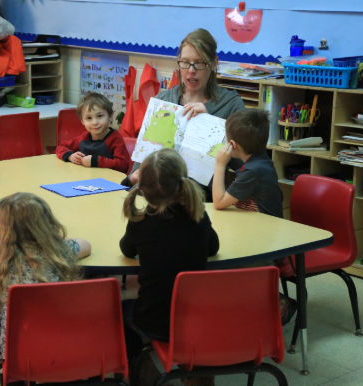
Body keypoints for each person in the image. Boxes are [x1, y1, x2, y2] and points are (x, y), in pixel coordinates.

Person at [119, 148, 219, 365]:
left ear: (142, 189)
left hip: (154, 322)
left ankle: (142, 366)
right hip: (197, 320)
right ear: (182, 182)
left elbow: (126, 250)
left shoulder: (141, 221)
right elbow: (213, 248)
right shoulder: (197, 215)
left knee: (119, 310)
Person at [122, 28, 245, 198]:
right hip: (156, 196)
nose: (191, 70)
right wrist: (131, 181)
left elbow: (245, 163)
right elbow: (141, 164)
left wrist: (210, 123)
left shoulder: (231, 104)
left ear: (214, 63)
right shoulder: (163, 101)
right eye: (185, 62)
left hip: (199, 201)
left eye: (199, 63)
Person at [0, 192, 91, 361]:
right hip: (67, 344)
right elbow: (85, 245)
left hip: (15, 354)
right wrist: (53, 242)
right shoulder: (57, 253)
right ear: (45, 226)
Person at [212, 109, 296, 324]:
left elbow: (219, 202)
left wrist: (220, 163)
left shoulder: (253, 172)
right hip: (253, 234)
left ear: (233, 144)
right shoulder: (259, 162)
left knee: (216, 265)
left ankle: (279, 303)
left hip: (264, 246)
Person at [55, 92, 129, 174]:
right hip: (86, 181)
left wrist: (95, 161)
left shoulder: (115, 138)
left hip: (108, 182)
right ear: (82, 121)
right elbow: (61, 147)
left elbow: (123, 164)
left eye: (100, 116)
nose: (95, 122)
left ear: (110, 116)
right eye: (89, 118)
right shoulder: (84, 137)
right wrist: (70, 156)